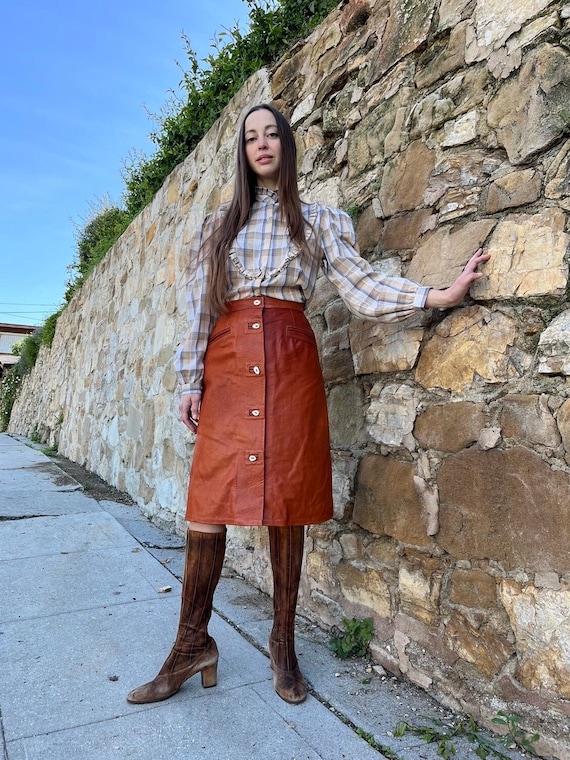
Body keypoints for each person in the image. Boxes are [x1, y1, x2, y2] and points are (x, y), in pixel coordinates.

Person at [127, 104, 489, 706]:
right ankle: (191, 644)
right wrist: (189, 381)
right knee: (207, 500)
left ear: (287, 145)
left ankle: (283, 643)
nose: (261, 144)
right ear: (242, 153)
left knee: (287, 497)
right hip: (226, 362)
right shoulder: (216, 226)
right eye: (250, 137)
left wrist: (435, 294)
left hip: (290, 359)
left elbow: (361, 284)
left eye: (272, 134)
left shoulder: (318, 220)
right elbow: (197, 310)